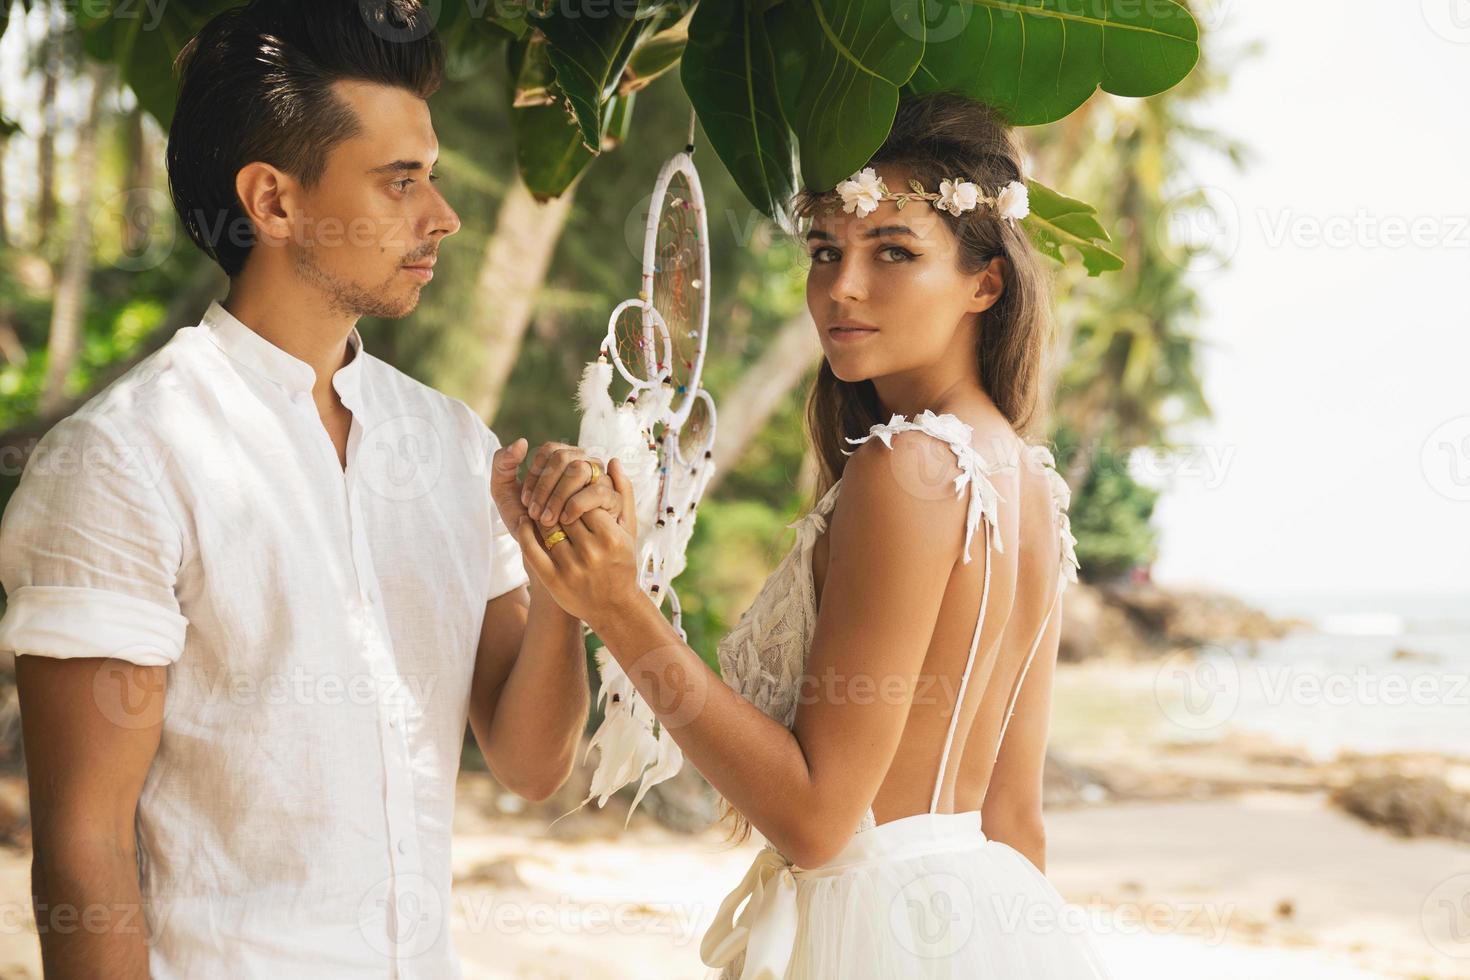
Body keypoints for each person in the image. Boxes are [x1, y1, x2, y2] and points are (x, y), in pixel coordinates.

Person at [0, 3, 612, 977]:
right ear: (274, 203)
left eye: (433, 174)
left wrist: (567, 603)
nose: (441, 215)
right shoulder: (125, 458)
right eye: (399, 181)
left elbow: (532, 764)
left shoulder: (452, 445)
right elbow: (85, 846)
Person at [507, 93, 1109, 977]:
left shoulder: (908, 469)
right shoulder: (1029, 480)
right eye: (826, 251)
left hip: (873, 934)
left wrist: (618, 605)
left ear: (986, 282)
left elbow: (820, 823)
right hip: (982, 923)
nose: (842, 287)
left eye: (893, 252)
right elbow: (1015, 820)